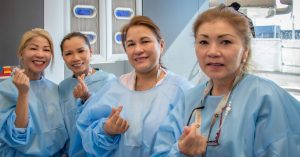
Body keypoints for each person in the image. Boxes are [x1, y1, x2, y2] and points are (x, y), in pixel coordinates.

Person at [152, 4, 300, 157]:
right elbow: (160, 152)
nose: (213, 52)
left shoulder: (265, 98)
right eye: (203, 42)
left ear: (245, 51)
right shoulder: (188, 101)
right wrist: (181, 152)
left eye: (226, 42)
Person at [76, 15, 192, 157]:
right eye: (131, 44)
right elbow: (86, 134)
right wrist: (107, 130)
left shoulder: (181, 90)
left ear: (161, 45)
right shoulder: (113, 88)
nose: (138, 50)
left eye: (145, 41)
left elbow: (190, 145)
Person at [0, 28, 68, 156]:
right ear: (21, 53)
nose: (40, 54)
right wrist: (23, 93)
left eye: (46, 49)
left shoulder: (55, 89)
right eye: (33, 48)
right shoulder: (5, 90)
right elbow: (17, 135)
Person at [58, 32, 115, 157]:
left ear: (90, 51)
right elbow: (65, 126)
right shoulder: (63, 87)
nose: (76, 58)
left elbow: (111, 125)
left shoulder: (109, 81)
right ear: (63, 57)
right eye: (68, 53)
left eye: (81, 51)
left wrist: (87, 98)